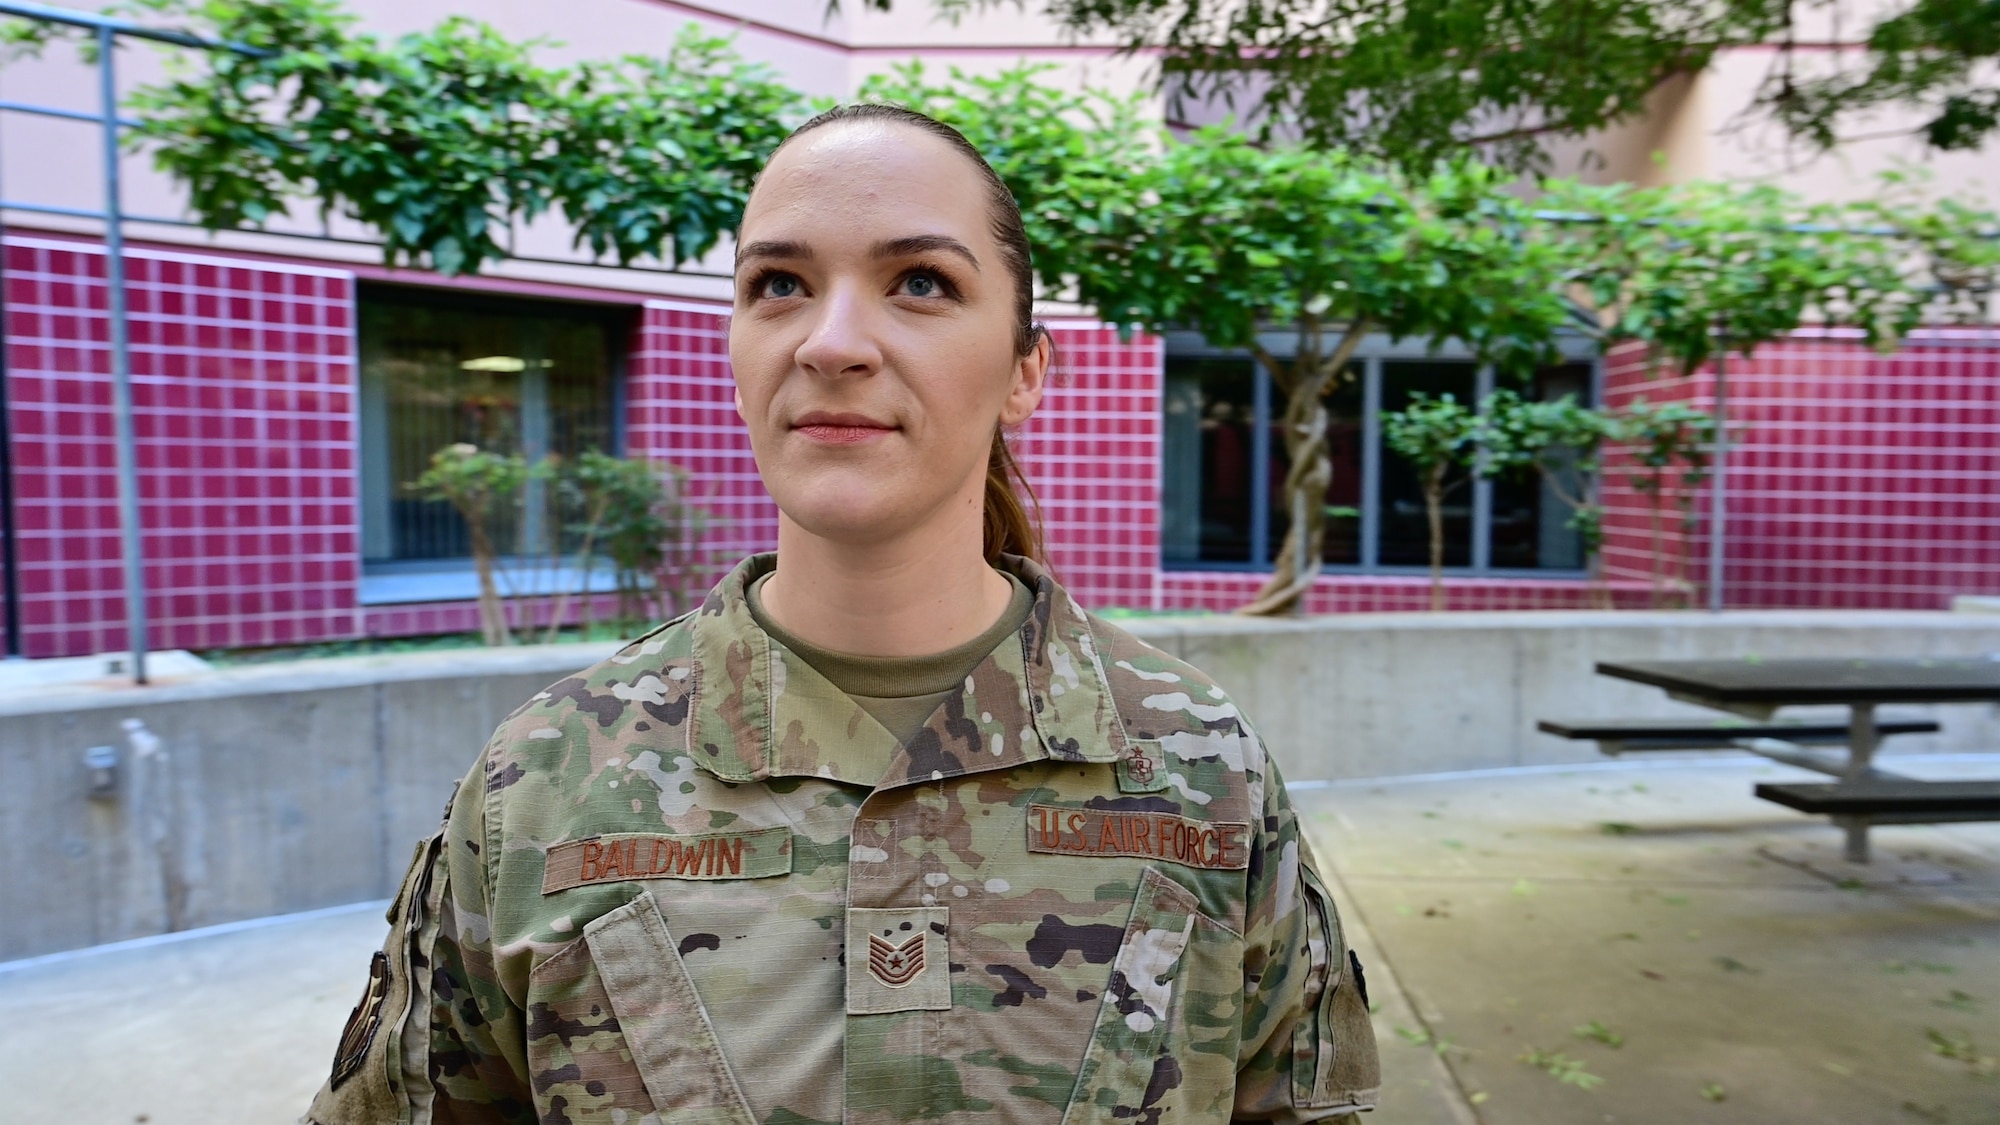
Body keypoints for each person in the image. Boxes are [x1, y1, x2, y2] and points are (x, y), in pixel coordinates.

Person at [304, 103, 1380, 1125]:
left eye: (918, 281)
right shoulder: (542, 781)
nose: (831, 342)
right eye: (777, 283)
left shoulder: (1199, 767)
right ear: (733, 361)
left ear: (1022, 371)